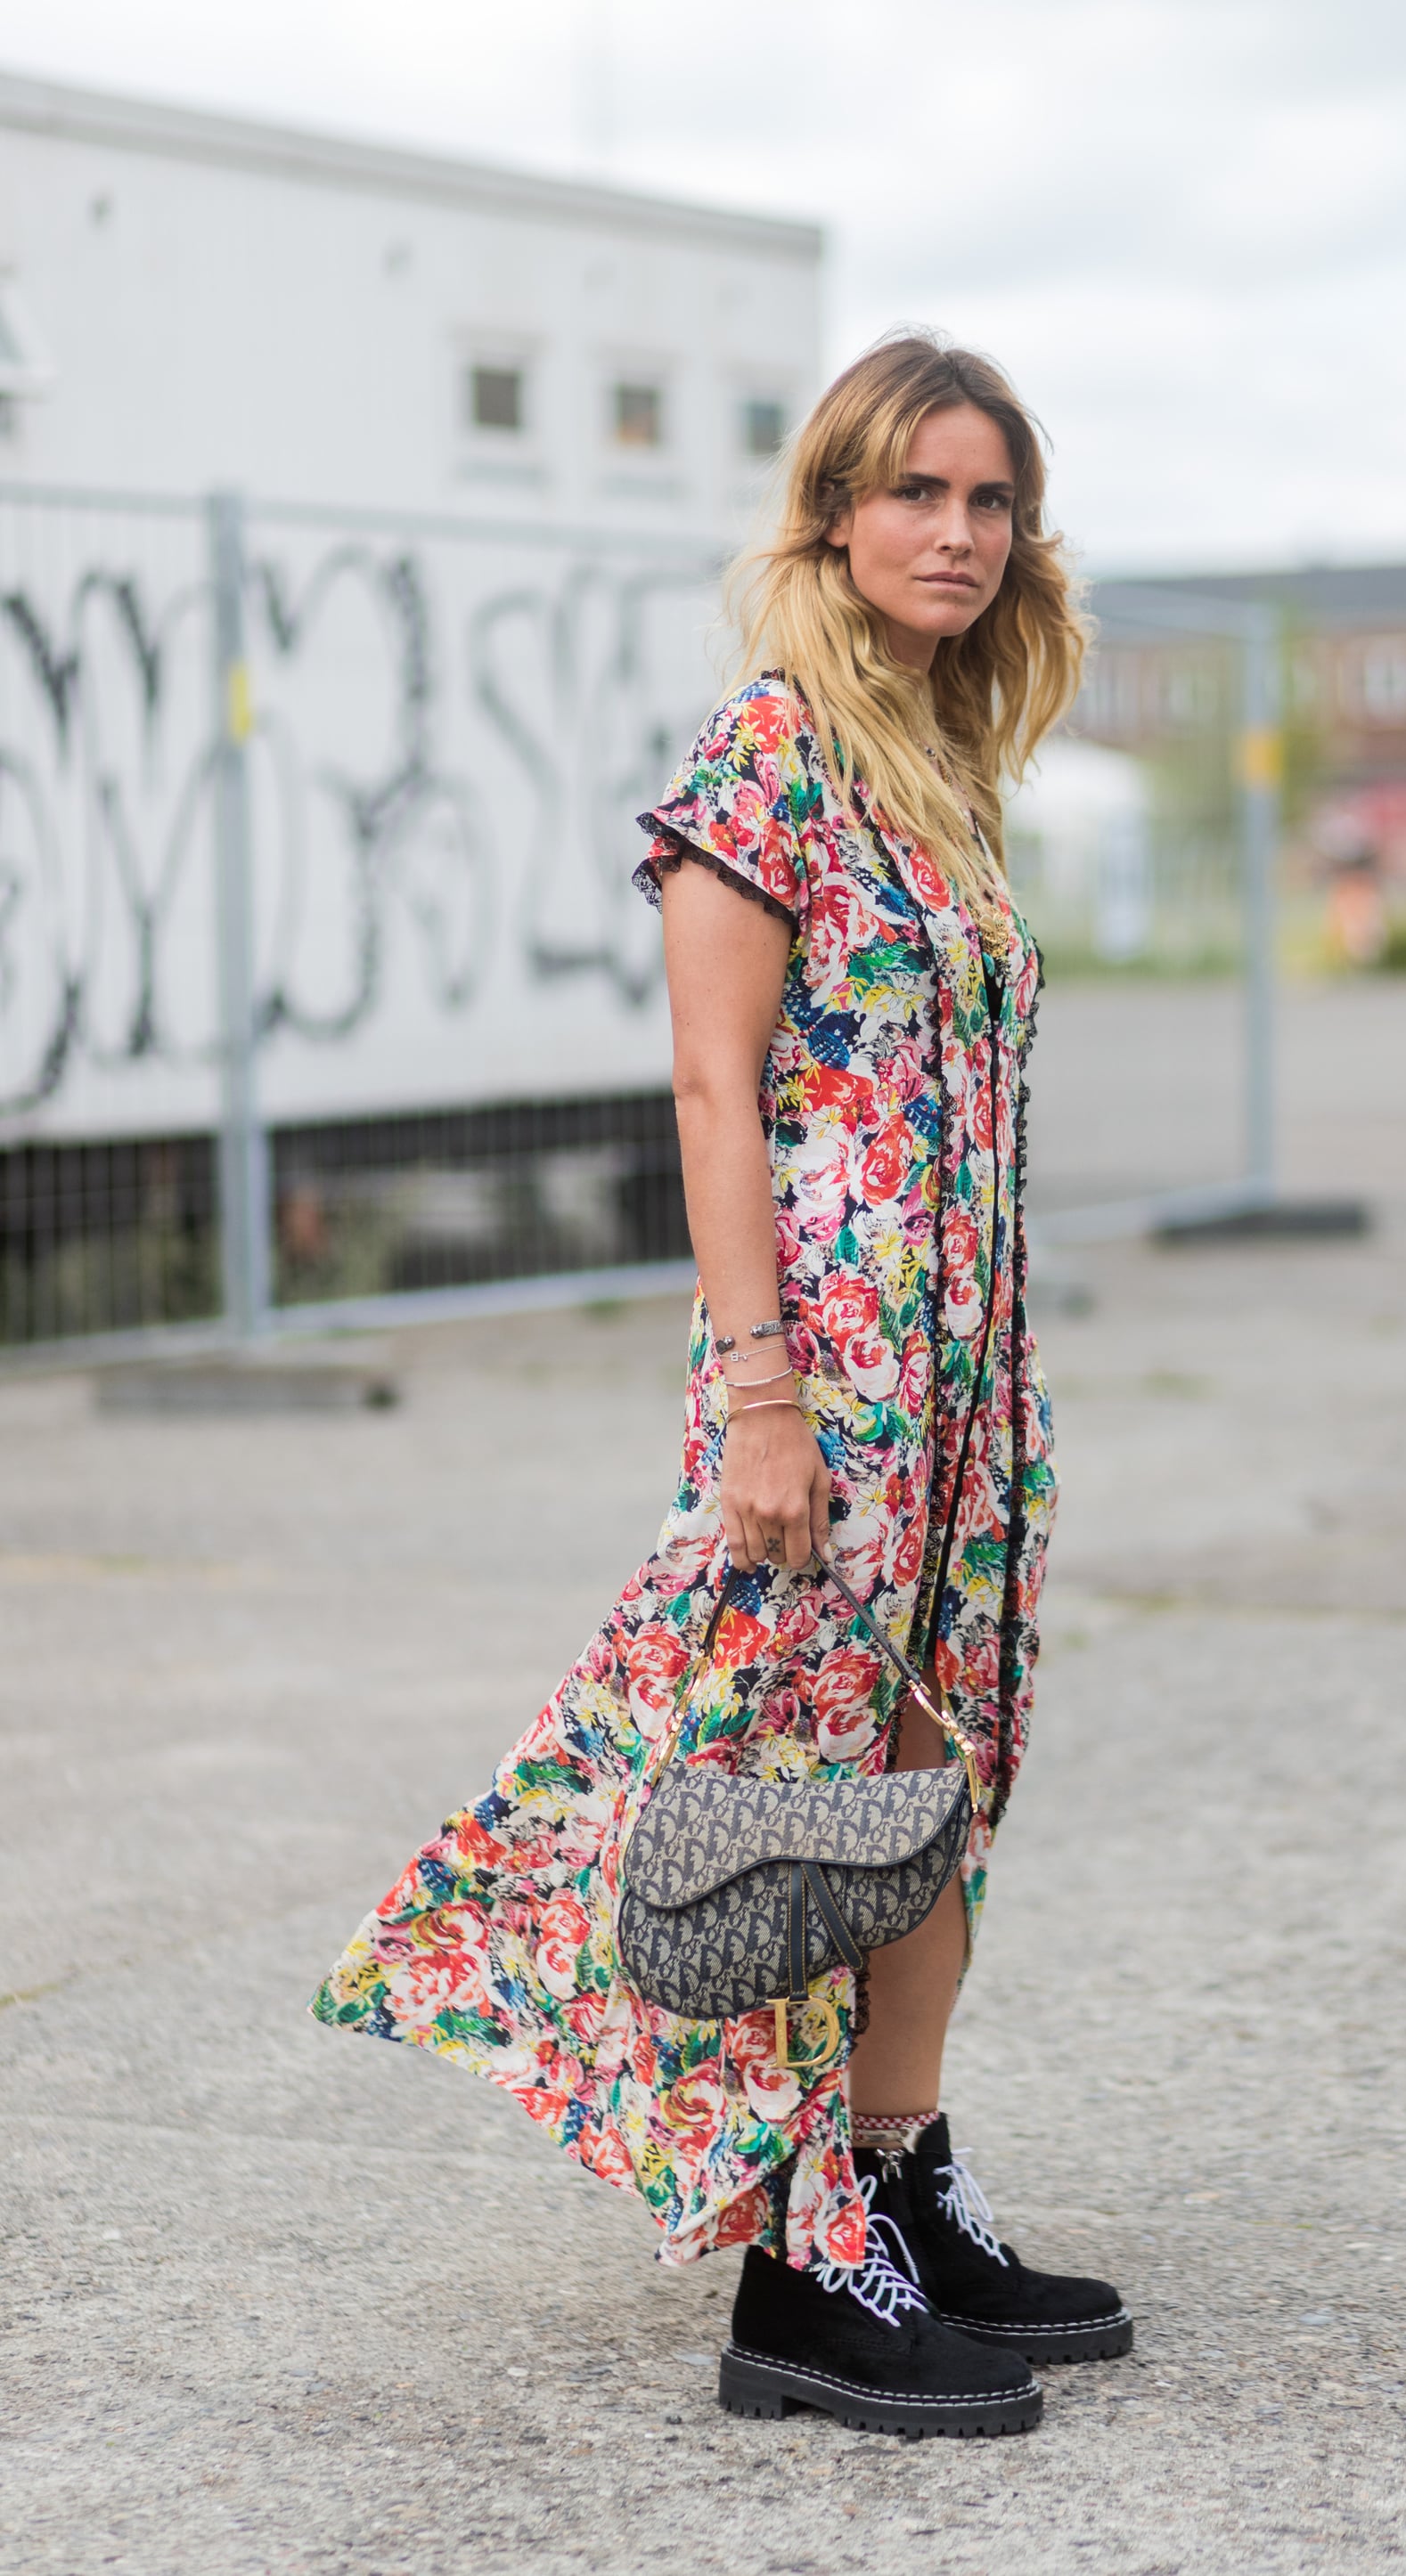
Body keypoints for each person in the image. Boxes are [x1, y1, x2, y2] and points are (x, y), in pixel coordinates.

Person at [313, 333, 1132, 2439]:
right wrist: (765, 1397)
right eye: (917, 495)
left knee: (926, 1797)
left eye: (988, 501)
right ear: (834, 517)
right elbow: (709, 1087)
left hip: (966, 1395)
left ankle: (898, 2180)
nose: (956, 535)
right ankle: (794, 2276)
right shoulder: (765, 757)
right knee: (773, 1807)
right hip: (825, 1395)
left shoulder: (941, 767)